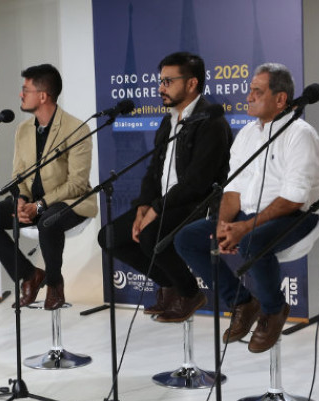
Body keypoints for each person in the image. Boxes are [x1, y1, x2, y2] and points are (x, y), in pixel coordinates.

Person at [174, 63, 319, 353]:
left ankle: (273, 310)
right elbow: (233, 188)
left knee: (252, 242)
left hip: (296, 216)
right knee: (187, 238)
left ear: (281, 99)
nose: (249, 97)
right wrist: (223, 224)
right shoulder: (247, 134)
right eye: (250, 90)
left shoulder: (299, 134)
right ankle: (242, 302)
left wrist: (243, 228)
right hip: (249, 214)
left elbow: (292, 198)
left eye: (258, 91)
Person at [98, 51, 232, 323]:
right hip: (163, 203)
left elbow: (197, 183)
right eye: (161, 82)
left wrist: (156, 210)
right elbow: (153, 171)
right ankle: (169, 284)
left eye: (168, 82)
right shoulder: (168, 120)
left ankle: (190, 292)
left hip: (198, 204)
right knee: (109, 237)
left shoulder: (211, 122)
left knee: (150, 235)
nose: (160, 88)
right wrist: (143, 206)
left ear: (191, 83)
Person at [0, 64, 95, 311]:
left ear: (42, 95)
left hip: (70, 203)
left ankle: (55, 284)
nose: (20, 94)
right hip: (32, 202)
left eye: (25, 89)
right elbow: (19, 174)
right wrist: (21, 200)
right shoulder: (23, 130)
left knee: (47, 220)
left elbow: (77, 184)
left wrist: (39, 205)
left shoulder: (76, 128)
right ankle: (29, 274)